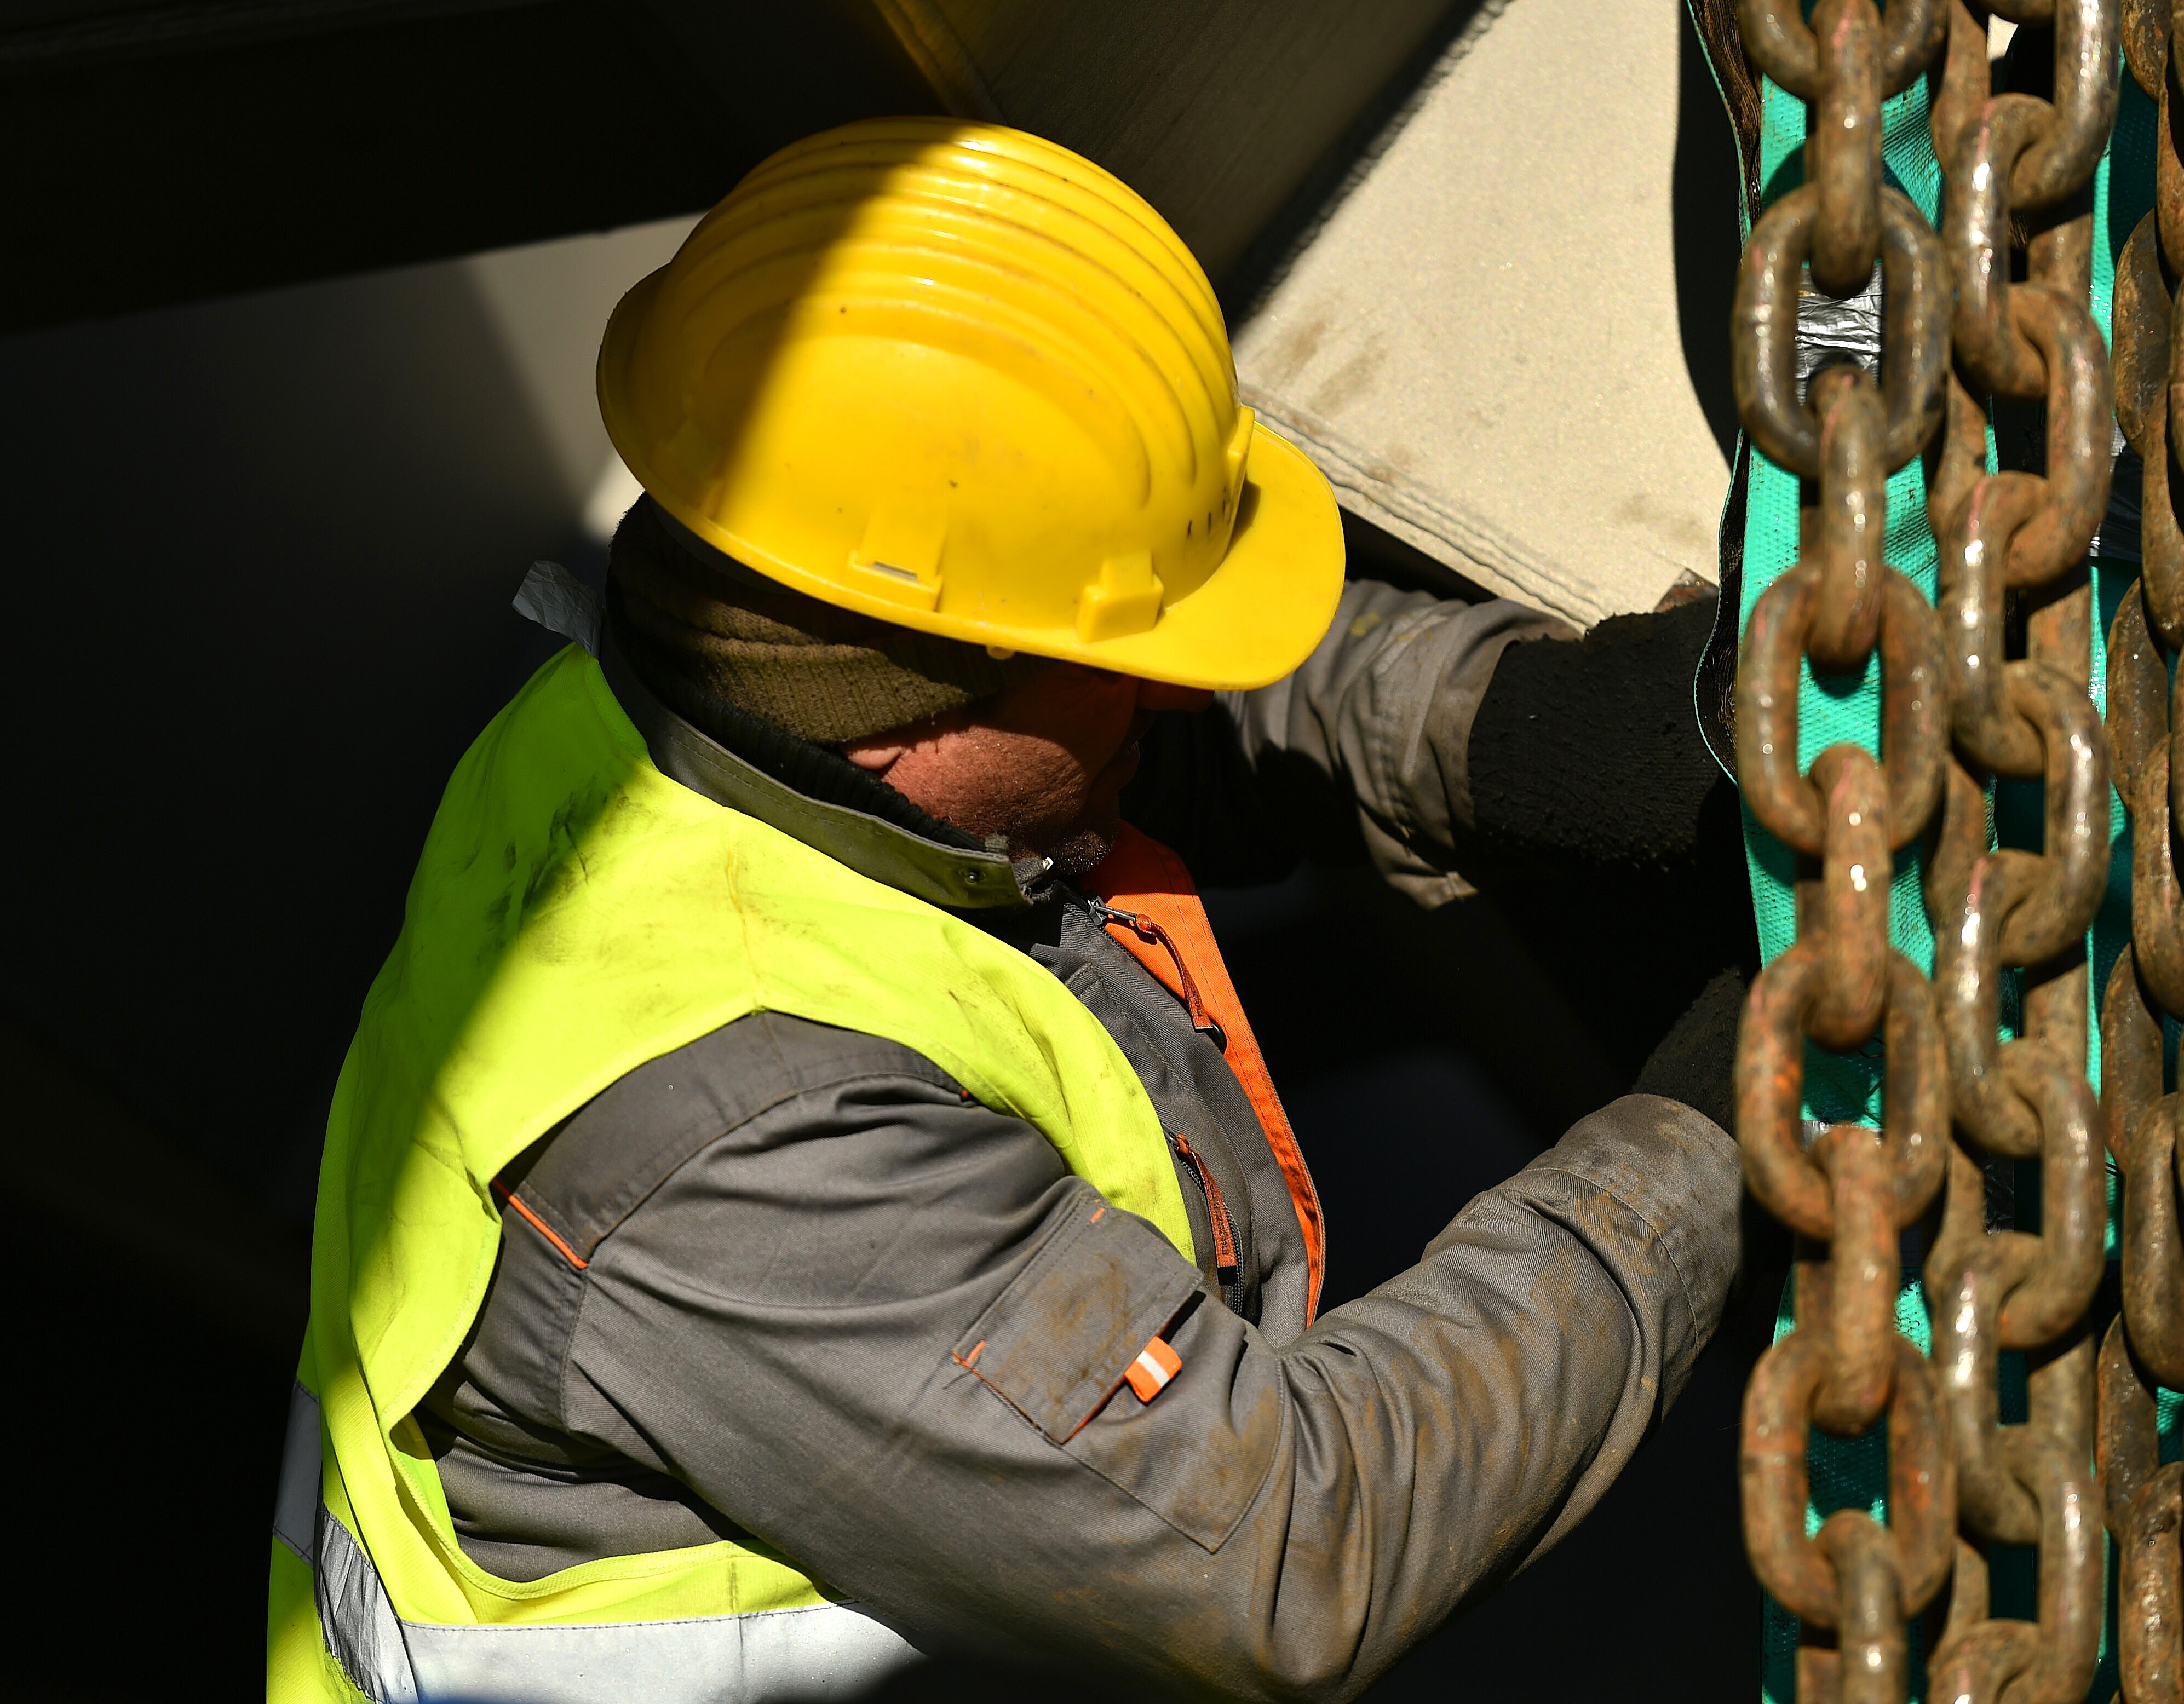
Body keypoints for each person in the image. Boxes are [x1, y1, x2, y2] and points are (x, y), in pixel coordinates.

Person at [267, 118, 1749, 1704]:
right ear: (920, 701)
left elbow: (1144, 727)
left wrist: (1548, 730)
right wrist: (1723, 1121)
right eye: (1125, 656)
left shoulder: (679, 695)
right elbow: (1291, 1540)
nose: (1168, 693)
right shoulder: (745, 1162)